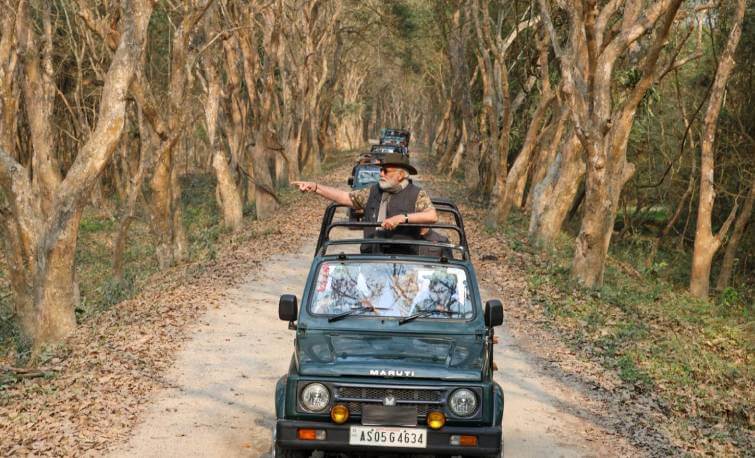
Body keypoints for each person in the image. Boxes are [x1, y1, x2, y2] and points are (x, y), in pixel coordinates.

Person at [292, 153, 437, 252]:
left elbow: (432, 216)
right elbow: (345, 197)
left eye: (386, 171)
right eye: (381, 170)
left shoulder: (416, 193)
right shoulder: (373, 191)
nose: (381, 174)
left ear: (400, 175)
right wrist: (316, 187)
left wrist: (403, 218)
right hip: (370, 258)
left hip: (404, 260)